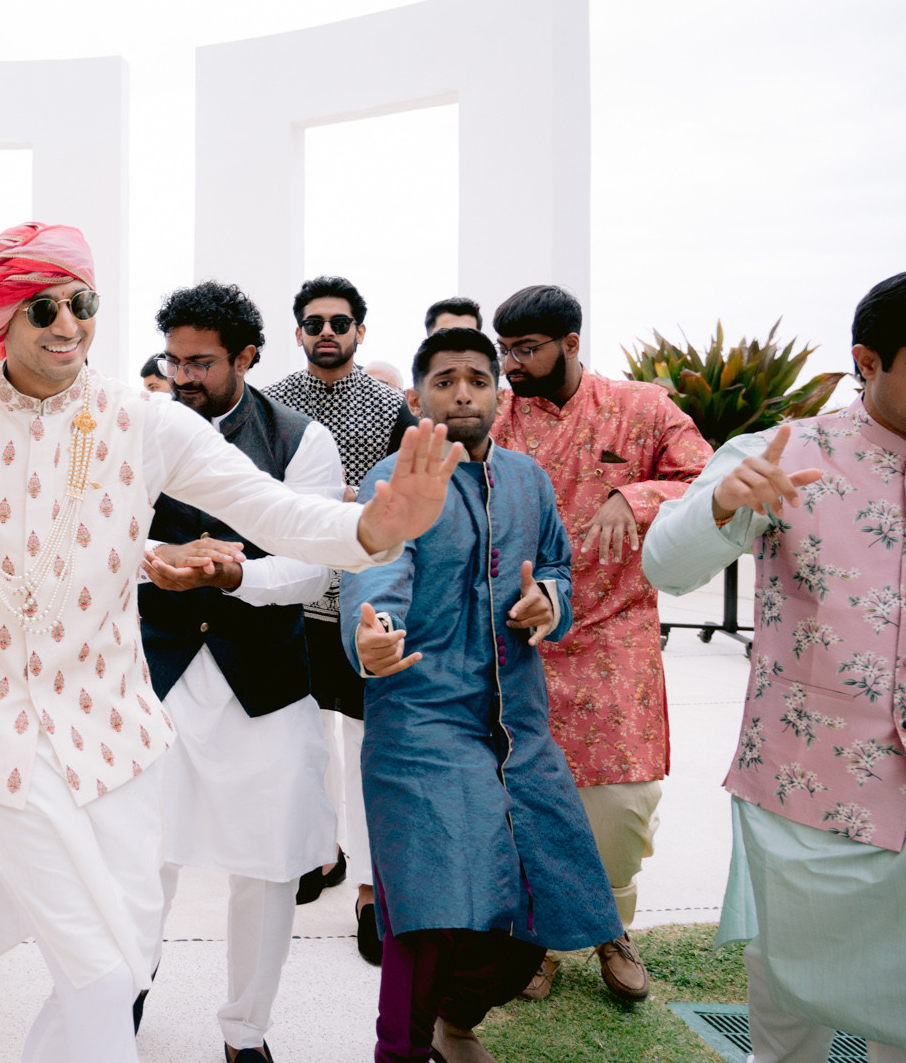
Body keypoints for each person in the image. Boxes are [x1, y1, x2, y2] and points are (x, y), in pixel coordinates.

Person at [0, 220, 460, 1063]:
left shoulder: (142, 421)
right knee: (91, 962)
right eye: (43, 306)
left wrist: (368, 528)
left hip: (115, 733)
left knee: (119, 958)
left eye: (81, 302)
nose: (68, 322)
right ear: (2, 315)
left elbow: (265, 508)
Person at [643, 272, 906, 1063]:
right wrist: (723, 503)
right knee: (791, 1006)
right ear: (869, 359)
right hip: (810, 782)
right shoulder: (784, 451)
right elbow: (665, 562)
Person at [342, 328, 621, 1063]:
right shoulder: (390, 479)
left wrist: (547, 602)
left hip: (518, 728)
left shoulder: (529, 479)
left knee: (548, 897)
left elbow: (555, 563)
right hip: (420, 723)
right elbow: (374, 569)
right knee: (429, 912)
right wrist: (374, 639)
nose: (461, 390)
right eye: (443, 380)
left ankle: (455, 1021)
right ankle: (398, 1051)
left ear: (500, 393)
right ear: (415, 397)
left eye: (475, 377)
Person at [488, 284, 711, 1002]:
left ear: (571, 343)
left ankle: (612, 927)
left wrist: (636, 496)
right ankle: (541, 937)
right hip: (523, 634)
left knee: (620, 802)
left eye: (527, 349)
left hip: (616, 630)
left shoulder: (641, 407)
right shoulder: (495, 415)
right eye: (506, 350)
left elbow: (707, 477)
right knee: (525, 793)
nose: (512, 364)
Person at [139, 283, 345, 1063]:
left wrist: (232, 577)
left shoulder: (302, 440)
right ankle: (125, 988)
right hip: (153, 676)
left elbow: (309, 565)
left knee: (267, 864)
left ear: (247, 357)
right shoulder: (138, 432)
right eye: (174, 359)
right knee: (140, 853)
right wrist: (161, 567)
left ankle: (244, 1029)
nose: (183, 375)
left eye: (202, 362)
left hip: (263, 683)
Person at [260, 274, 411, 957]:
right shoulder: (273, 403)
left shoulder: (388, 407)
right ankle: (319, 855)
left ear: (359, 331)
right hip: (292, 597)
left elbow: (406, 501)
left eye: (340, 322)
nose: (327, 332)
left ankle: (374, 892)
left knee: (362, 748)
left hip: (363, 599)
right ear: (298, 332)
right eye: (314, 322)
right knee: (302, 741)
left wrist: (357, 501)